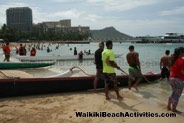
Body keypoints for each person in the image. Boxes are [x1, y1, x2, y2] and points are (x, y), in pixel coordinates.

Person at [167, 47, 184, 112]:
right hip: (178, 80)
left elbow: (171, 68)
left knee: (174, 93)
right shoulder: (182, 61)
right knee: (177, 95)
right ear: (181, 53)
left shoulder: (173, 60)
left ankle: (168, 106)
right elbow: (182, 72)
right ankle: (173, 109)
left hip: (171, 78)